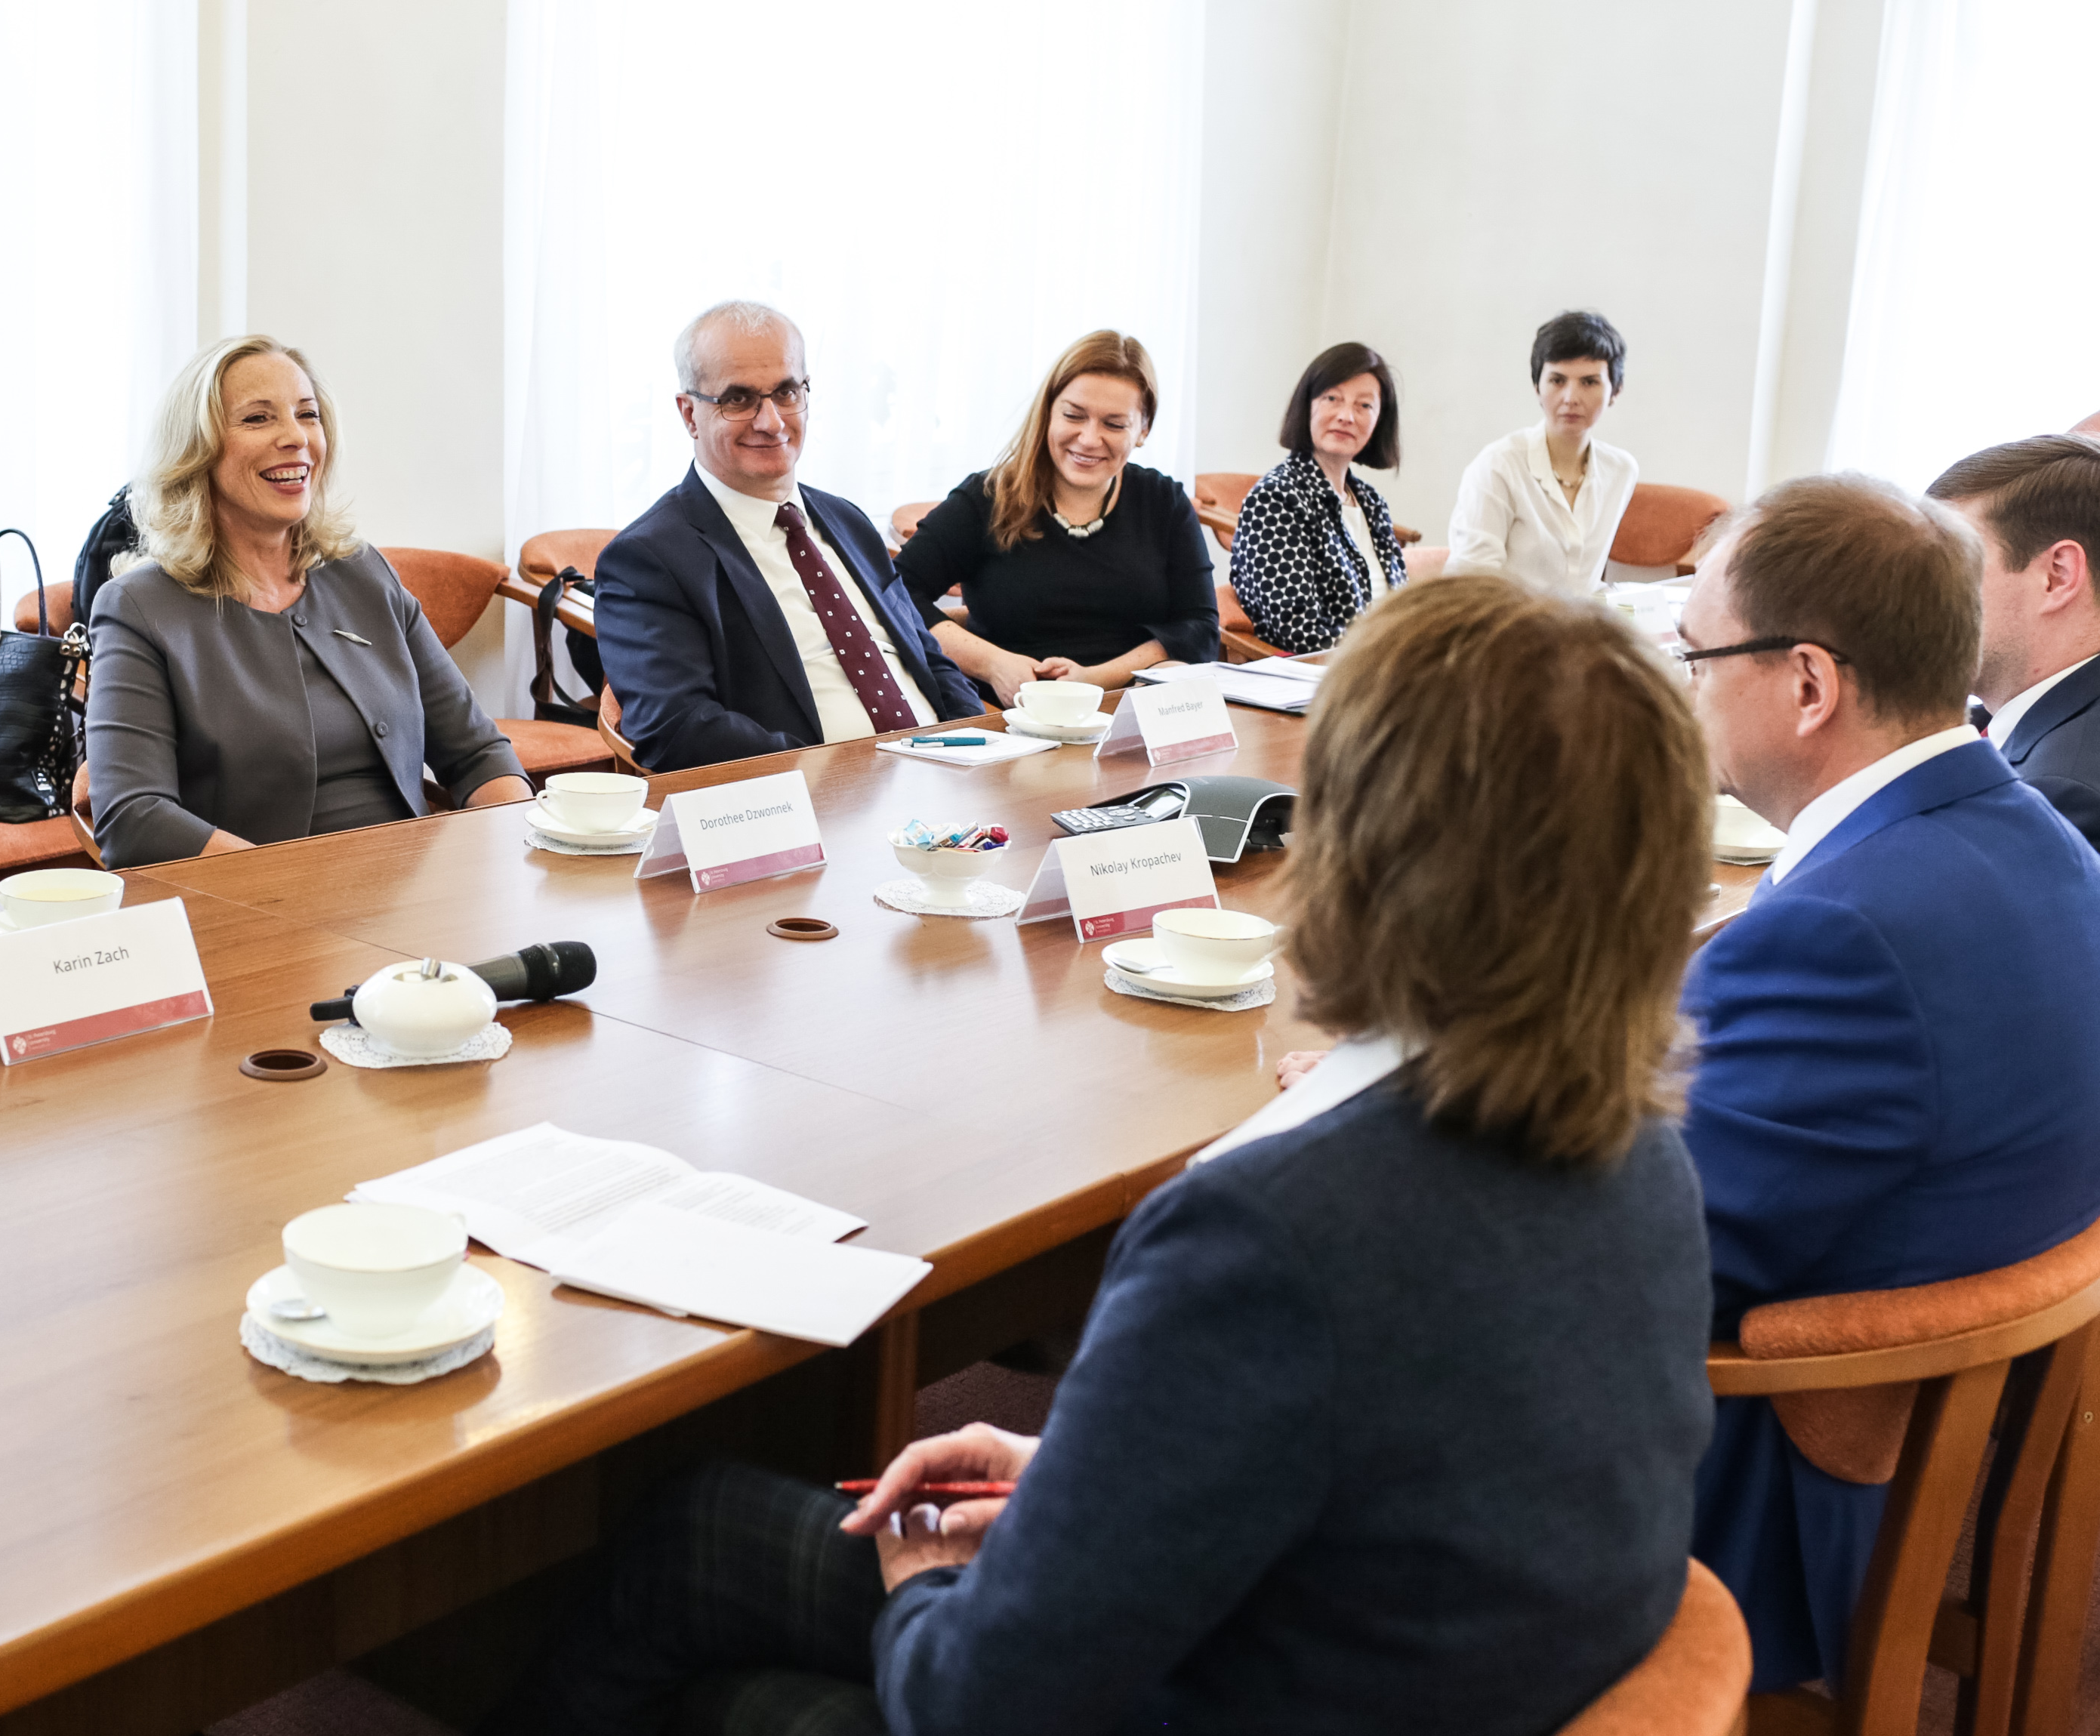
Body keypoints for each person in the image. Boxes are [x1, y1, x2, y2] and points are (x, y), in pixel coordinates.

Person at [486, 575, 1717, 1736]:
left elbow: (973, 1699)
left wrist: (921, 1575)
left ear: (1357, 854)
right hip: (1421, 1662)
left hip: (1229, 1687)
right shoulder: (1640, 1149)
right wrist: (1096, 1467)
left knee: (696, 1571)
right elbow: (1385, 1441)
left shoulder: (1267, 1230)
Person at [1672, 476, 2100, 1691]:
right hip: (1953, 1435)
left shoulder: (1845, 930)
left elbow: (1637, 1251)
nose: (1685, 683)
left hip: (1773, 1497)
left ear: (1809, 683)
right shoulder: (2040, 842)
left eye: (1696, 653)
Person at [86, 335, 532, 863]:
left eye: (307, 415)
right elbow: (134, 817)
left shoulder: (363, 572)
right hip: (257, 908)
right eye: (258, 419)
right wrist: (289, 893)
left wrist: (517, 849)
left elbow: (478, 753)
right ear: (196, 450)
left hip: (412, 892)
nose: (296, 437)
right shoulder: (138, 608)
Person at [597, 301, 985, 772]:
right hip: (805, 809)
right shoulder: (649, 559)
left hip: (946, 786)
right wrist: (841, 774)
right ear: (689, 414)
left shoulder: (848, 522)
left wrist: (976, 749)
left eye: (785, 392)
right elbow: (678, 729)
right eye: (738, 400)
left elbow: (929, 661)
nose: (773, 422)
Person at [891, 331, 1217, 701]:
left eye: (1114, 424)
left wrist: (1097, 679)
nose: (1090, 439)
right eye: (1074, 415)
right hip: (1008, 710)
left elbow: (1200, 627)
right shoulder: (987, 497)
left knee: (1178, 680)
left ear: (1143, 429)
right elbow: (892, 594)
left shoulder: (1164, 501)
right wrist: (993, 663)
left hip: (1125, 701)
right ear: (1048, 412)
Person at [1928, 433, 2100, 849]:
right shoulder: (2001, 718)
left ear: (2057, 575)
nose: (1917, 594)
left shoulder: (2056, 792)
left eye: (1948, 563)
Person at [1228, 341, 1411, 652]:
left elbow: (1400, 611)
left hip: (1386, 670)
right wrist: (1389, 655)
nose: (1346, 416)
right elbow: (1299, 632)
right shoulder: (1276, 498)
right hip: (1322, 680)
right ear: (1307, 405)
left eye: (1364, 405)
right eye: (1332, 398)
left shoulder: (1372, 502)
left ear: (1380, 419)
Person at [1445, 309, 1637, 592]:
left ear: (1615, 391)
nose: (1571, 398)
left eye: (1589, 382)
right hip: (1501, 628)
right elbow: (1472, 586)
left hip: (1577, 630)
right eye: (1557, 380)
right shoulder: (1498, 465)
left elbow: (1582, 583)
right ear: (1537, 387)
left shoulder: (1621, 470)